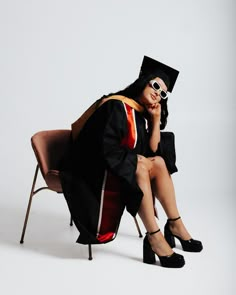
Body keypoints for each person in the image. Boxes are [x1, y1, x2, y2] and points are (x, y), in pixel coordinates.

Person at [60, 56, 203, 268]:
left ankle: (174, 224)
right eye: (155, 85)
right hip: (90, 168)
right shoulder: (116, 105)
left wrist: (155, 120)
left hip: (120, 165)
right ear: (143, 81)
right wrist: (136, 160)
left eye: (163, 93)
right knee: (140, 167)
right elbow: (99, 147)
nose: (158, 93)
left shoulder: (139, 113)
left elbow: (152, 151)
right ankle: (154, 236)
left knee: (159, 163)